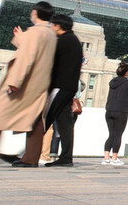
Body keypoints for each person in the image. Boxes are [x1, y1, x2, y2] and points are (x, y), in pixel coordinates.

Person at [0, 1, 57, 167]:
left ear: (35, 13)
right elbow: (37, 51)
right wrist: (21, 38)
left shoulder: (35, 32)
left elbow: (26, 57)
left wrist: (14, 82)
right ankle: (31, 158)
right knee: (34, 120)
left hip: (24, 82)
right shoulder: (51, 34)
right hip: (39, 83)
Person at [41, 14, 83, 167]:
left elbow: (50, 63)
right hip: (69, 88)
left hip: (60, 87)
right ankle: (66, 158)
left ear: (58, 26)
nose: (51, 27)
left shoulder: (64, 41)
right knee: (65, 123)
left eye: (52, 25)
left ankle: (28, 154)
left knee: (44, 118)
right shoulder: (74, 41)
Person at [103, 62, 128, 165]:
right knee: (118, 134)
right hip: (121, 112)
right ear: (127, 73)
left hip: (109, 111)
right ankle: (114, 158)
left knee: (111, 134)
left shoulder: (112, 82)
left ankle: (106, 158)